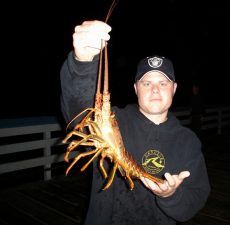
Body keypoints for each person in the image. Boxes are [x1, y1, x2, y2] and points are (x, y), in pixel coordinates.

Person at [60, 20, 210, 225]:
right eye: (146, 83)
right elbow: (79, 116)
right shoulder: (116, 118)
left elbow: (195, 199)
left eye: (163, 83)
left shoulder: (188, 141)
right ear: (135, 88)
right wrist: (84, 62)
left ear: (174, 89)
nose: (155, 89)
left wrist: (171, 196)